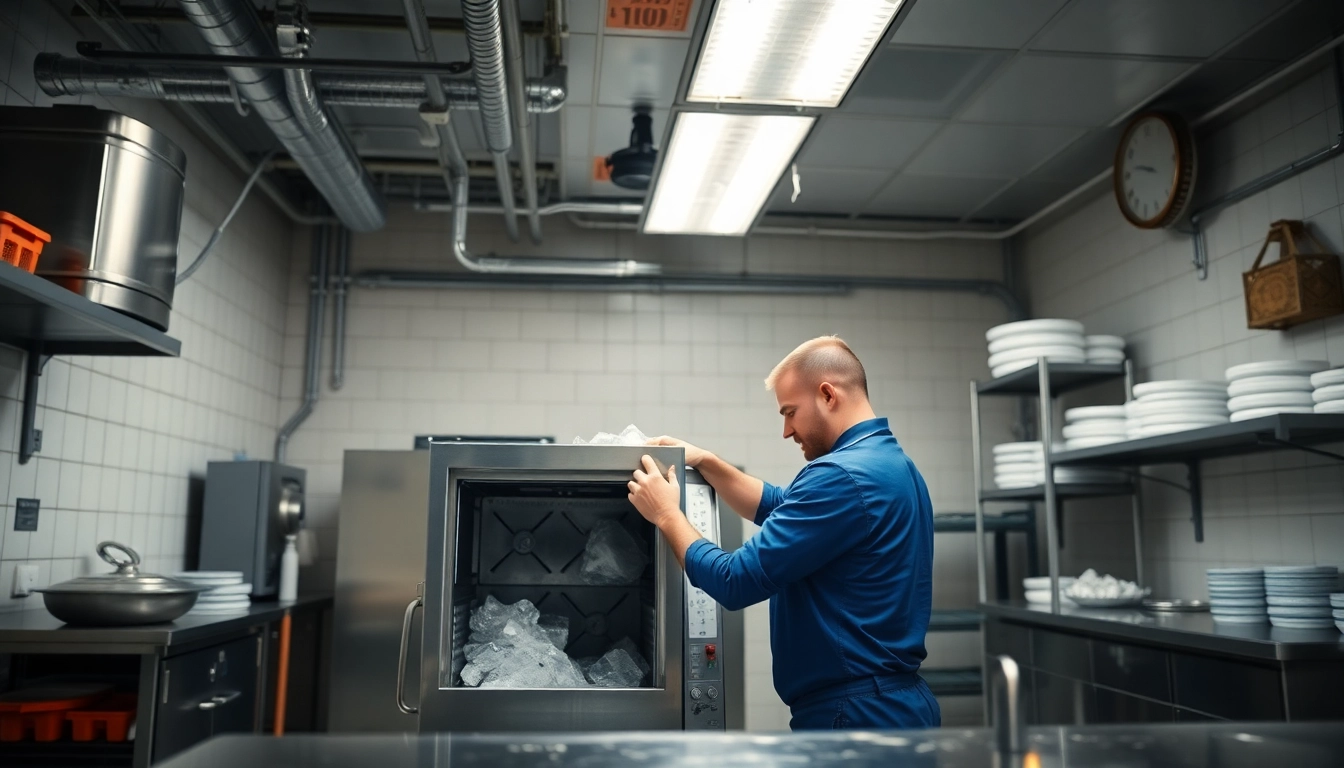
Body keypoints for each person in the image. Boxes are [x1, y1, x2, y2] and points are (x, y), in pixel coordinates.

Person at [627, 335, 939, 730]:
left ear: (827, 395)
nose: (787, 431)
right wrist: (708, 461)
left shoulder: (841, 476)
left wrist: (666, 514)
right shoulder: (892, 466)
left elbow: (734, 580)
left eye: (790, 412)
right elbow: (777, 504)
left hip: (856, 714)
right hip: (890, 704)